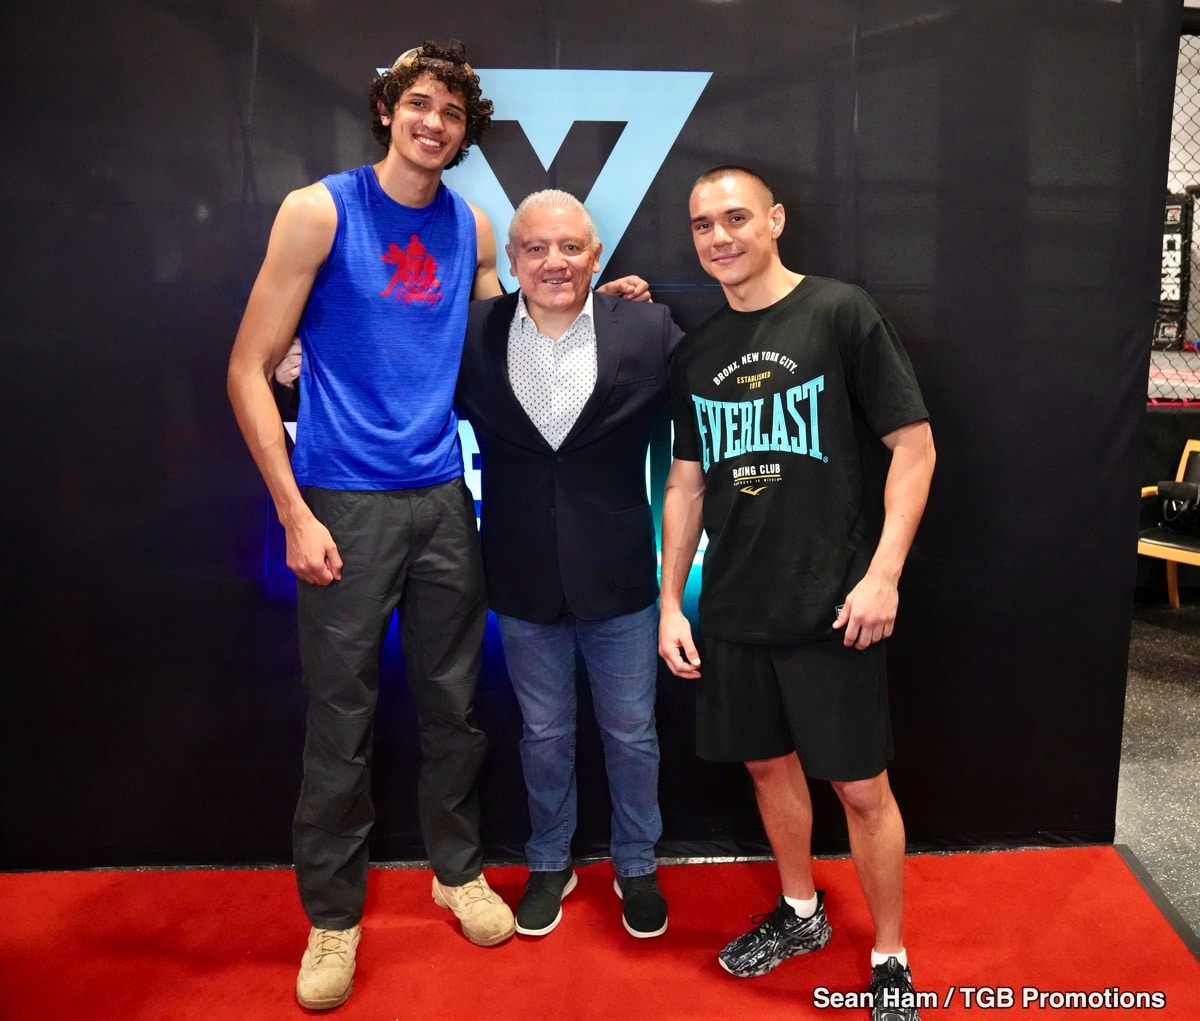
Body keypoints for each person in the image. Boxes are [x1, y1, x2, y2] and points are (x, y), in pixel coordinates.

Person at [657, 166, 935, 1021]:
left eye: (736, 217)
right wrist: (670, 603)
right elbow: (686, 484)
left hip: (834, 607)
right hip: (735, 608)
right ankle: (802, 910)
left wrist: (883, 574)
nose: (720, 237)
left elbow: (914, 447)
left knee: (859, 789)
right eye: (703, 225)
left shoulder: (841, 312)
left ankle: (890, 953)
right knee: (768, 768)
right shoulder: (697, 352)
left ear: (774, 220)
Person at [455, 189, 683, 940]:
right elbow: (395, 376)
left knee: (633, 733)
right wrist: (300, 361)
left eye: (570, 247)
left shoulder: (646, 326)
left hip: (620, 576)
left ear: (596, 255)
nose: (554, 261)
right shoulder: (472, 331)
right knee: (543, 734)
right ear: (511, 259)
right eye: (536, 248)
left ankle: (637, 863)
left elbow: (715, 383)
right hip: (520, 576)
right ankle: (549, 860)